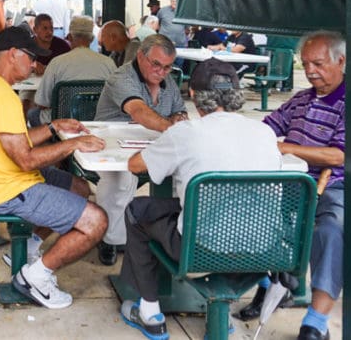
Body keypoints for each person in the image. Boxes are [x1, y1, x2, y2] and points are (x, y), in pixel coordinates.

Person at [118, 58, 282, 340]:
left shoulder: (186, 133)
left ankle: (150, 312)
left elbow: (135, 166)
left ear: (192, 95)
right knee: (223, 213)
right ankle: (221, 312)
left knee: (137, 211)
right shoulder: (264, 132)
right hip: (262, 249)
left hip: (200, 249)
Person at [0, 27, 109, 309]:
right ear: (14, 54)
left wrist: (54, 127)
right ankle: (35, 278)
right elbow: (26, 159)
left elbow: (15, 143)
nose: (34, 64)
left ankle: (30, 246)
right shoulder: (1, 96)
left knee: (79, 187)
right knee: (96, 221)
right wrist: (73, 144)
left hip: (4, 177)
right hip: (8, 189)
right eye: (31, 58)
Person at [247, 31, 346, 340]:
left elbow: (339, 155)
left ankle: (315, 322)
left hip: (330, 188)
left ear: (340, 61)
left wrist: (288, 148)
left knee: (331, 231)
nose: (310, 71)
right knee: (247, 213)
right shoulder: (301, 99)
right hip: (290, 186)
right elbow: (266, 130)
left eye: (317, 63)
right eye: (305, 64)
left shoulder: (350, 102)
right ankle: (269, 287)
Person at [93, 34, 189, 266]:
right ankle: (109, 239)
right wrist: (171, 127)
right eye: (156, 64)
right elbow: (138, 111)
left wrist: (178, 118)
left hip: (151, 143)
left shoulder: (169, 82)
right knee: (122, 177)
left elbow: (181, 112)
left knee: (186, 171)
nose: (162, 72)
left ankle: (174, 235)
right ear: (140, 56)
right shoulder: (122, 77)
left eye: (167, 67)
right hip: (110, 142)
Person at [33, 16, 116, 124]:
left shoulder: (57, 63)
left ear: (70, 37)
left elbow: (42, 103)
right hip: (98, 121)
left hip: (62, 121)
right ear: (91, 39)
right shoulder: (108, 63)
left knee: (32, 114)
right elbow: (116, 97)